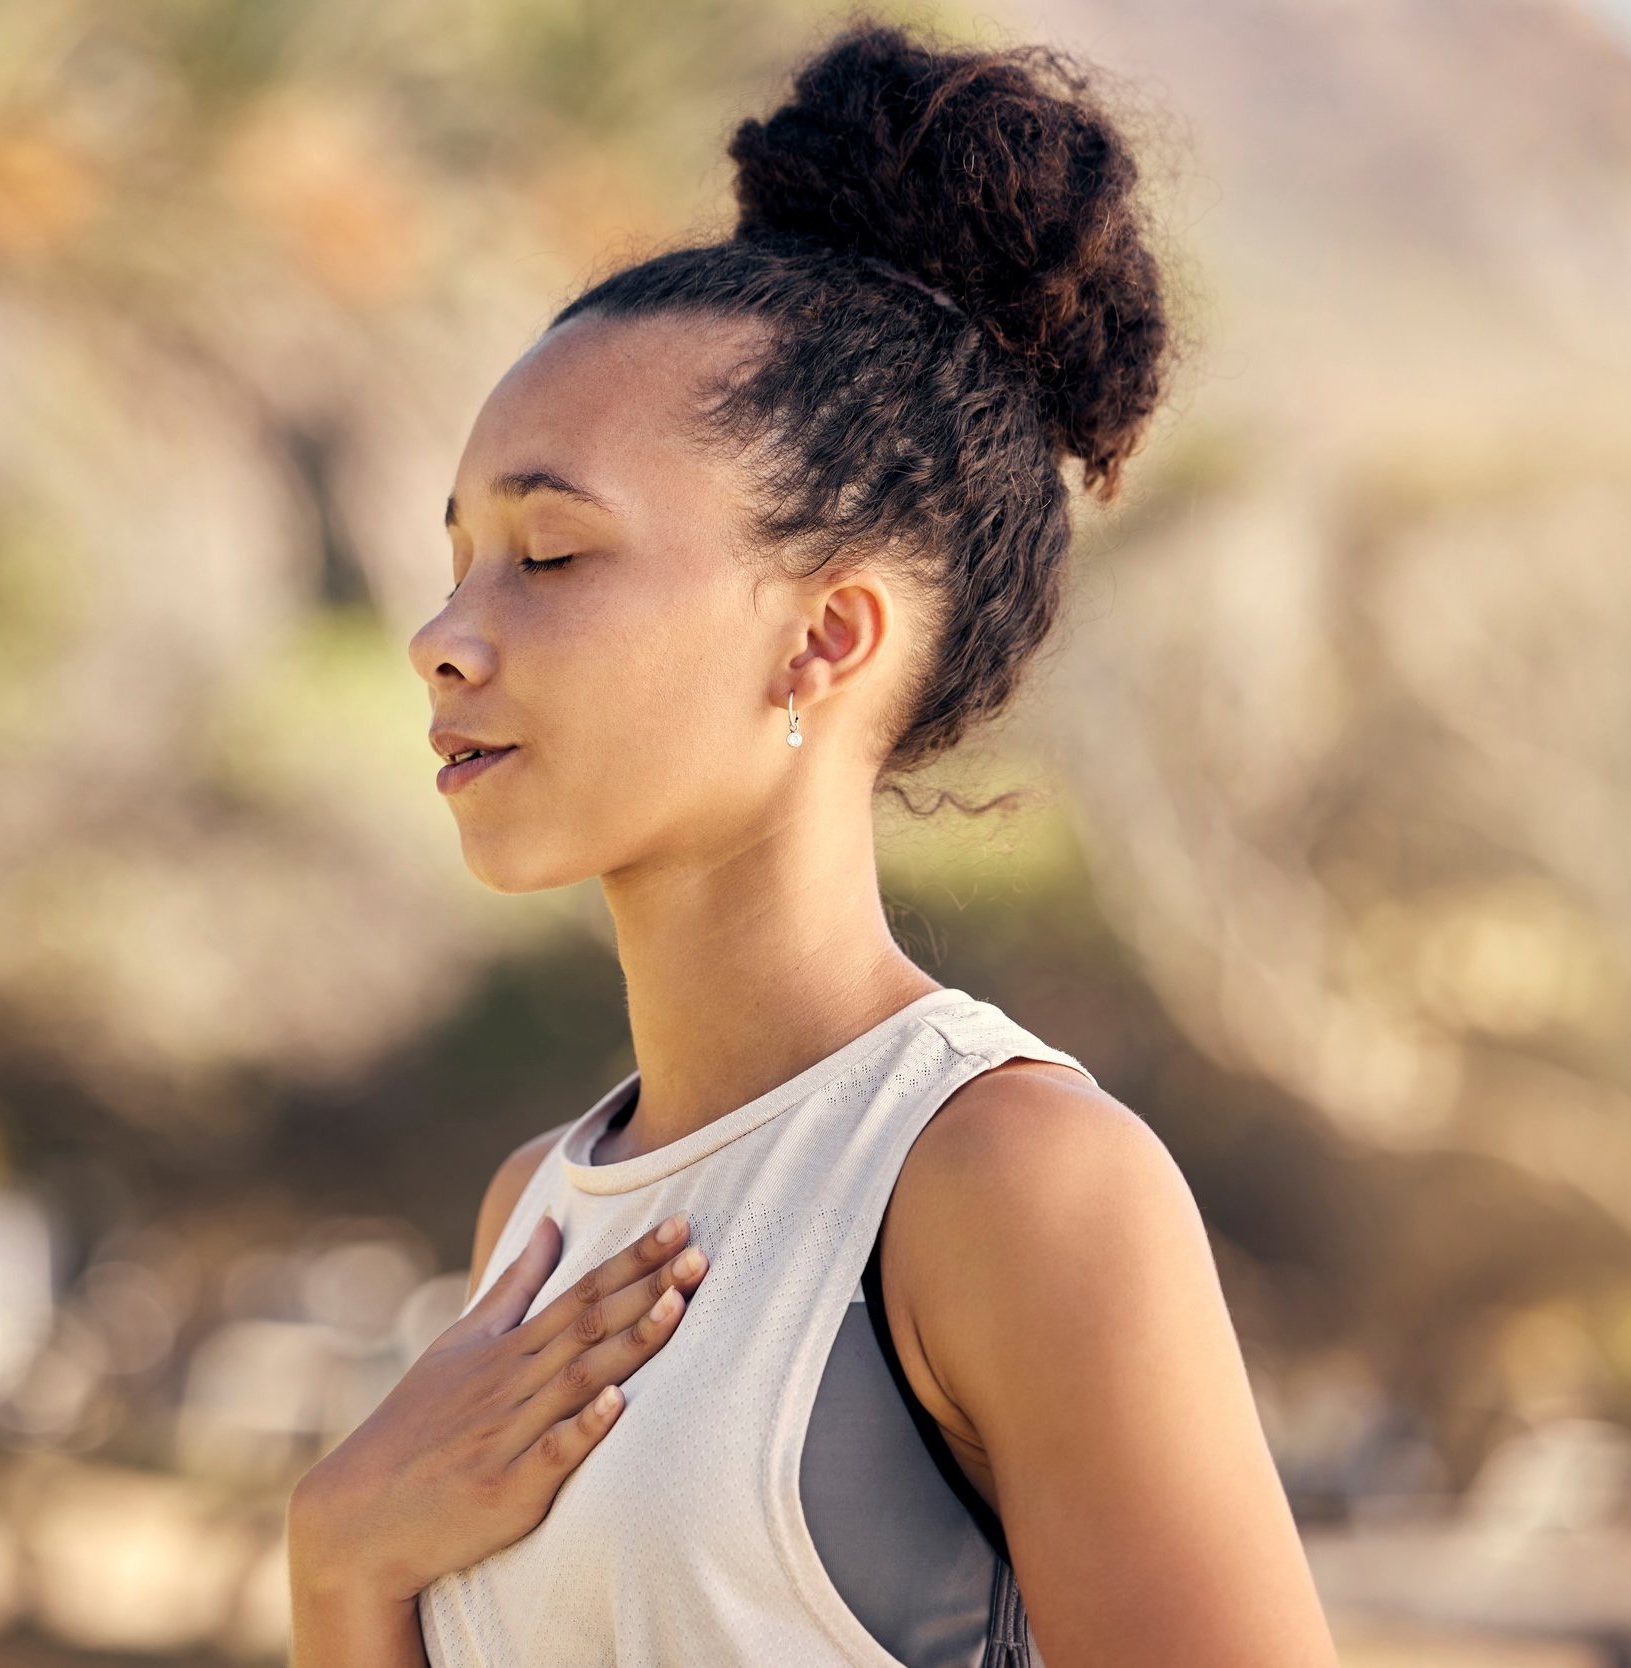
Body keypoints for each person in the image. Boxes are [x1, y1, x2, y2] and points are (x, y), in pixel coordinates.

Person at [287, 16, 1338, 1668]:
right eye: (462, 555)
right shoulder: (539, 1217)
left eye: (549, 556)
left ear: (825, 641)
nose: (445, 632)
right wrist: (342, 1566)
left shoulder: (1012, 1187)